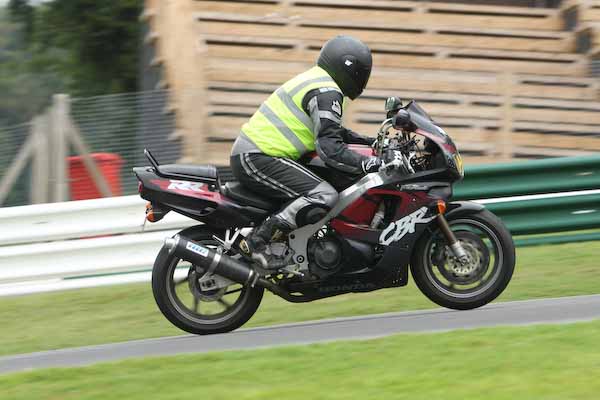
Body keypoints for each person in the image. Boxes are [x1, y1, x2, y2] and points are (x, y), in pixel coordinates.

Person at [230, 35, 385, 268]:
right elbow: (330, 149)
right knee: (324, 195)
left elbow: (332, 131)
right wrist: (368, 163)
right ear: (349, 68)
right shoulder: (326, 91)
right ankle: (257, 242)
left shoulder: (318, 81)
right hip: (259, 156)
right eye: (361, 72)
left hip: (261, 154)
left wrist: (370, 142)